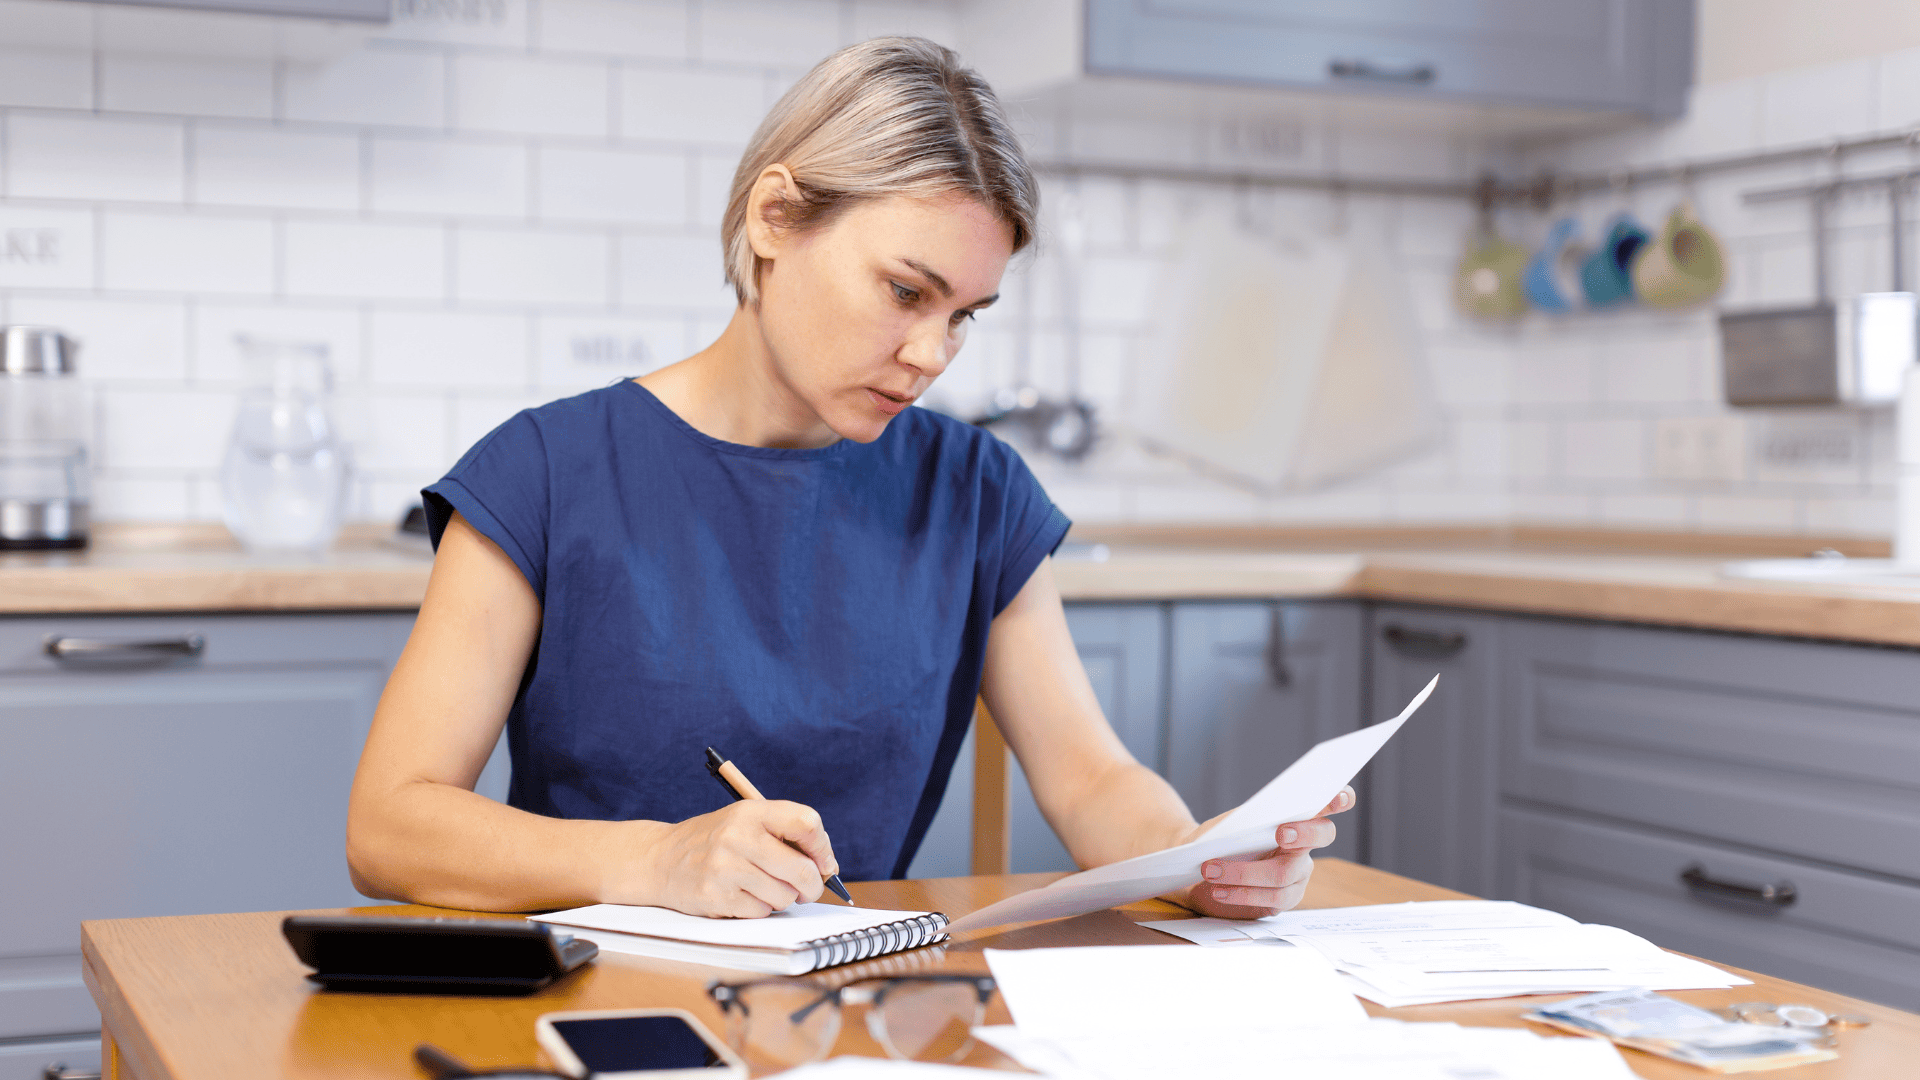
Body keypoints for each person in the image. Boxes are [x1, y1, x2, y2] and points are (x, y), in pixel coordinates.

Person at [345, 36, 1353, 920]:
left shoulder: (975, 491)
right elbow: (390, 824)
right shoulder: (545, 472)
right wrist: (653, 858)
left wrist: (1197, 859)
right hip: (589, 1008)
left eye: (965, 313)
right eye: (906, 291)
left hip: (853, 1013)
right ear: (777, 217)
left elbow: (1093, 782)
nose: (933, 353)